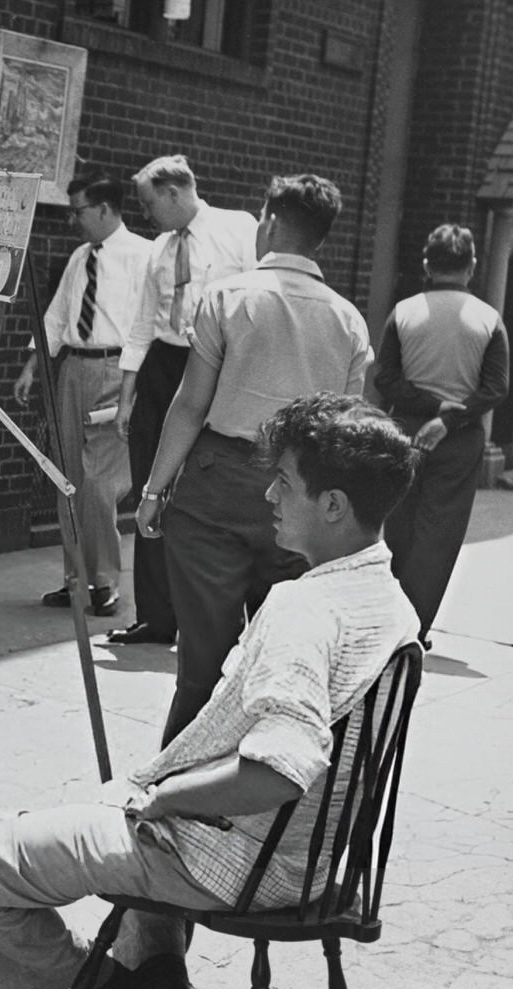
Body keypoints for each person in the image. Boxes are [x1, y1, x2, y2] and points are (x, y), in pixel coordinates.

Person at [0, 393, 420, 989]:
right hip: (308, 860)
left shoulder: (305, 608)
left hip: (237, 861)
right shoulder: (387, 598)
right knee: (129, 803)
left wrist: (169, 799)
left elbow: (281, 767)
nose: (269, 492)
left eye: (285, 480)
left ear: (334, 505)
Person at [136, 174, 372, 743]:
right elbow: (347, 433)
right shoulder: (348, 321)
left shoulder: (227, 297)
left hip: (215, 488)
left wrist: (153, 489)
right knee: (281, 661)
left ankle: (173, 787)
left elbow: (190, 405)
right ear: (323, 238)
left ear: (269, 220)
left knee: (203, 666)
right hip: (301, 498)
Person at [109, 155, 258, 646]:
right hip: (162, 365)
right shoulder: (159, 249)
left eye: (150, 203)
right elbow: (141, 321)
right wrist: (127, 396)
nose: (146, 214)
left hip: (214, 365)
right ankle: (156, 616)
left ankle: (214, 620)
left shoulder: (238, 229)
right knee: (151, 484)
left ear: (175, 193)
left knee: (198, 487)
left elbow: (259, 298)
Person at [14, 174, 152, 617]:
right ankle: (75, 581)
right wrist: (34, 364)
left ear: (107, 209)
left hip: (117, 370)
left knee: (98, 482)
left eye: (79, 211)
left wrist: (134, 388)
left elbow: (148, 327)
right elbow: (57, 316)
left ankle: (105, 581)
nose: (74, 219)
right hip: (72, 369)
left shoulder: (143, 256)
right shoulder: (79, 257)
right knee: (67, 476)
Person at [375, 224, 511, 644]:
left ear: (427, 265)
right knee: (440, 534)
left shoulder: (403, 312)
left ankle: (387, 618)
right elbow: (495, 388)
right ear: (471, 266)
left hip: (406, 431)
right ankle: (414, 627)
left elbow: (386, 380)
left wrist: (431, 409)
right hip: (460, 439)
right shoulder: (489, 320)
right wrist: (450, 417)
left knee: (398, 527)